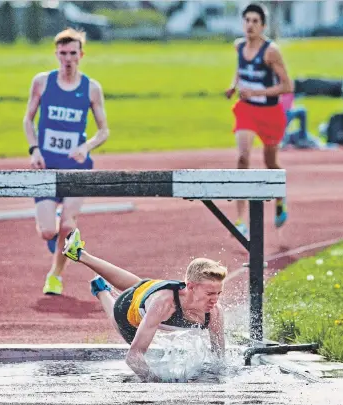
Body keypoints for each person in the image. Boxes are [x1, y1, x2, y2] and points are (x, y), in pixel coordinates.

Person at [62, 228, 227, 382]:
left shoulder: (215, 312)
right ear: (190, 286)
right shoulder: (163, 305)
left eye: (218, 293)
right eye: (209, 294)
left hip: (148, 288)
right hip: (126, 309)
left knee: (138, 285)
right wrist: (159, 384)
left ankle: (80, 254)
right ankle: (102, 291)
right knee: (119, 317)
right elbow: (133, 357)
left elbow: (220, 360)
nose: (215, 300)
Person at [23, 28, 110, 295]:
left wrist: (86, 146)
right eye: (63, 53)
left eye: (73, 53)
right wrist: (34, 149)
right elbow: (28, 119)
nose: (68, 58)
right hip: (46, 167)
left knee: (69, 225)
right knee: (48, 231)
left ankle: (55, 276)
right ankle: (57, 232)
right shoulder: (42, 82)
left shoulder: (91, 88)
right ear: (56, 53)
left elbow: (103, 130)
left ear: (81, 55)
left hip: (76, 167)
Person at [225, 3, 293, 236]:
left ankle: (280, 198)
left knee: (270, 163)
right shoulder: (239, 45)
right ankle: (240, 220)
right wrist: (233, 86)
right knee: (243, 158)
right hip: (246, 110)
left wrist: (257, 93)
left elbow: (287, 86)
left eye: (255, 21)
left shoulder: (271, 51)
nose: (250, 25)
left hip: (270, 114)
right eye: (247, 20)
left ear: (263, 26)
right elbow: (240, 69)